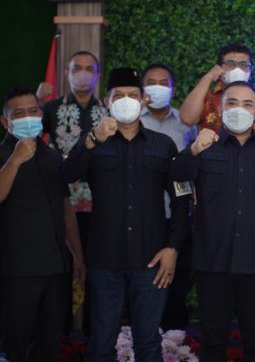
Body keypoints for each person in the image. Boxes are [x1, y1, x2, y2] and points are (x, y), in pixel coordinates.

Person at [63, 68, 190, 361]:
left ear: (143, 101)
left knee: (148, 343)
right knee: (101, 344)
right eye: (118, 95)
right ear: (107, 101)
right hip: (105, 260)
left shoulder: (163, 145)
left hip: (151, 260)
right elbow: (66, 176)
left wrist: (173, 248)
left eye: (132, 95)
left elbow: (181, 200)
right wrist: (91, 139)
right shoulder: (93, 141)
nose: (125, 100)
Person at [169, 81, 255, 362]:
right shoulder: (204, 147)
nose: (239, 109)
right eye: (232, 103)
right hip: (212, 263)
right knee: (212, 344)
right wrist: (193, 150)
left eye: (247, 104)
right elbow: (176, 176)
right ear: (220, 108)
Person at [0, 87, 84, 362]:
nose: (27, 117)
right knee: (15, 344)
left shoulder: (53, 157)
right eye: (18, 113)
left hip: (56, 267)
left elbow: (65, 208)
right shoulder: (3, 155)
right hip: (17, 271)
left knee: (50, 344)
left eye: (33, 111)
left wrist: (77, 255)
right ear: (5, 121)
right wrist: (16, 159)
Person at [37, 50, 107, 335]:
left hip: (99, 204)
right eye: (76, 68)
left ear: (97, 75)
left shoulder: (108, 110)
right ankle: (60, 335)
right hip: (60, 200)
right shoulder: (51, 108)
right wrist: (38, 101)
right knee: (62, 268)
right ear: (66, 73)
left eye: (89, 69)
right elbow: (28, 138)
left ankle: (94, 335)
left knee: (96, 268)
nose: (83, 74)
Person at [140, 62, 197, 330]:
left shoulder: (186, 123)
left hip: (178, 215)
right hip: (143, 217)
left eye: (164, 83)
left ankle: (176, 339)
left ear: (173, 90)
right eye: (151, 83)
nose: (158, 88)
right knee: (144, 281)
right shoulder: (132, 121)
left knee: (177, 281)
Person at [179, 44, 255, 140]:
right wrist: (208, 77)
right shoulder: (207, 99)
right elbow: (187, 119)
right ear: (219, 68)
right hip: (212, 150)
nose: (237, 69)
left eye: (243, 64)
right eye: (230, 63)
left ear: (250, 70)